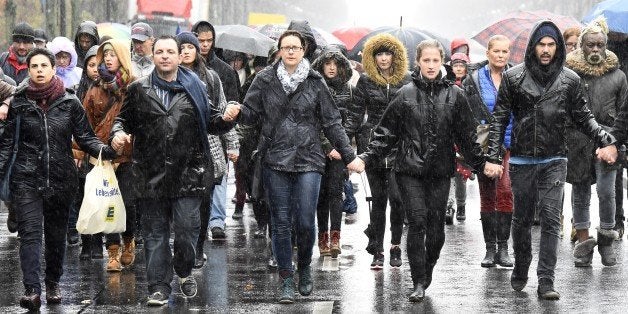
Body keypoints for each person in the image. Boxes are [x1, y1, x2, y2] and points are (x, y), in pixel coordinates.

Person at [222, 30, 360, 303]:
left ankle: (305, 267)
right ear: (279, 51)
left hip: (309, 159)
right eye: (286, 47)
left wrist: (348, 155)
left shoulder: (315, 81)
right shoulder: (264, 79)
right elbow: (250, 113)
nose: (291, 52)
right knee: (281, 222)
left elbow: (332, 122)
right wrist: (235, 111)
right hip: (276, 159)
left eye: (296, 47)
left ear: (304, 50)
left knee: (306, 221)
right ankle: (286, 277)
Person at [484, 21, 617, 300]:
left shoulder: (570, 79)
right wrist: (494, 156)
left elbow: (583, 116)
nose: (546, 50)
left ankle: (546, 278)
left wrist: (605, 138)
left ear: (558, 47)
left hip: (555, 158)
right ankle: (522, 265)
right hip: (521, 159)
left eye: (551, 44)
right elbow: (499, 118)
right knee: (521, 220)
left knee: (550, 220)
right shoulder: (514, 77)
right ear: (533, 46)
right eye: (541, 44)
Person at [351, 39, 485, 302]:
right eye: (426, 60)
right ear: (418, 63)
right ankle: (418, 280)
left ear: (442, 61)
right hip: (409, 169)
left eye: (436, 60)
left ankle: (428, 267)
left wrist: (484, 162)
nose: (431, 65)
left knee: (436, 230)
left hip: (440, 170)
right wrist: (366, 157)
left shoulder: (455, 95)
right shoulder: (405, 94)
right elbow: (385, 133)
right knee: (417, 222)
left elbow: (470, 135)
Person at [111, 35, 234, 306]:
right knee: (155, 234)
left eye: (170, 52)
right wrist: (117, 134)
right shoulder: (138, 89)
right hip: (150, 174)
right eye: (160, 52)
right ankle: (158, 287)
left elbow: (212, 122)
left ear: (180, 57)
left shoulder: (196, 87)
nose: (165, 56)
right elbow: (122, 120)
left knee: (188, 230)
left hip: (188, 173)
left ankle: (183, 269)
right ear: (153, 56)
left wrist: (226, 118)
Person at [0, 47, 117, 310]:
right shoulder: (19, 102)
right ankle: (32, 289)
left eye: (44, 66)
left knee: (55, 235)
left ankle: (53, 282)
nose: (39, 71)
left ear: (54, 69)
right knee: (30, 234)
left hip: (61, 178)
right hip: (26, 178)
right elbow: (8, 143)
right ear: (28, 71)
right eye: (34, 67)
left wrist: (107, 151)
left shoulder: (69, 102)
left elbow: (84, 137)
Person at [565, 17, 628, 267]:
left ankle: (606, 240)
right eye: (590, 45)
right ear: (581, 46)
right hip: (577, 141)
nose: (595, 50)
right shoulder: (569, 74)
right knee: (580, 192)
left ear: (606, 46)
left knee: (606, 191)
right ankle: (583, 243)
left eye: (599, 45)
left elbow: (625, 113)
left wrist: (618, 144)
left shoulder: (619, 76)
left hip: (609, 142)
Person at [349, 33, 411, 269]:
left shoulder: (407, 79)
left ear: (396, 56)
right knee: (378, 201)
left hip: (399, 146)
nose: (384, 58)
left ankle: (395, 245)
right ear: (372, 57)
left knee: (397, 199)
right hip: (372, 147)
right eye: (379, 54)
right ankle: (378, 250)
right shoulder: (365, 81)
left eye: (388, 53)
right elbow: (355, 114)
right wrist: (347, 147)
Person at [175, 31, 238, 265]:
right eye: (181, 48)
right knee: (181, 206)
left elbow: (221, 112)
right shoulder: (167, 77)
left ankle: (199, 247)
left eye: (190, 47)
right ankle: (184, 248)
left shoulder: (211, 78)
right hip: (176, 151)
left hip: (207, 148)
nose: (186, 51)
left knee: (203, 203)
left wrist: (233, 145)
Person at [77, 39, 137, 271]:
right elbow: (84, 123)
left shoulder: (134, 87)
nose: (108, 58)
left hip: (129, 156)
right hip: (103, 156)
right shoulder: (94, 89)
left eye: (113, 54)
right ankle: (112, 252)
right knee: (108, 203)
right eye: (105, 55)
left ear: (122, 56)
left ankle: (129, 240)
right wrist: (80, 152)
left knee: (129, 203)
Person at [462, 35, 515, 268]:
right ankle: (489, 249)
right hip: (484, 144)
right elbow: (465, 111)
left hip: (511, 143)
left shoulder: (517, 77)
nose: (501, 56)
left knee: (505, 190)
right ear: (488, 53)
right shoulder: (473, 79)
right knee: (487, 194)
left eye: (505, 52)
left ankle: (504, 247)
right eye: (497, 51)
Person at [312, 46, 361, 258]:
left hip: (341, 151)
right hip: (318, 149)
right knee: (321, 194)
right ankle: (322, 235)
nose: (331, 68)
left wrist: (343, 146)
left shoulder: (349, 89)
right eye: (327, 64)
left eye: (335, 64)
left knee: (336, 193)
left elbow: (353, 118)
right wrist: (326, 146)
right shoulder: (314, 87)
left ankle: (335, 236)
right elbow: (313, 120)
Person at [446, 52, 473, 224]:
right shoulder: (446, 85)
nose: (458, 68)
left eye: (461, 66)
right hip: (449, 133)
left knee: (461, 175)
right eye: (455, 65)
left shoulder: (471, 86)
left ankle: (461, 205)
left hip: (464, 134)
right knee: (449, 173)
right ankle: (449, 205)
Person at [192, 21, 241, 102]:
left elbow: (233, 103)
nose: (205, 44)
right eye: (201, 41)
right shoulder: (185, 66)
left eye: (209, 40)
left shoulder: (227, 71)